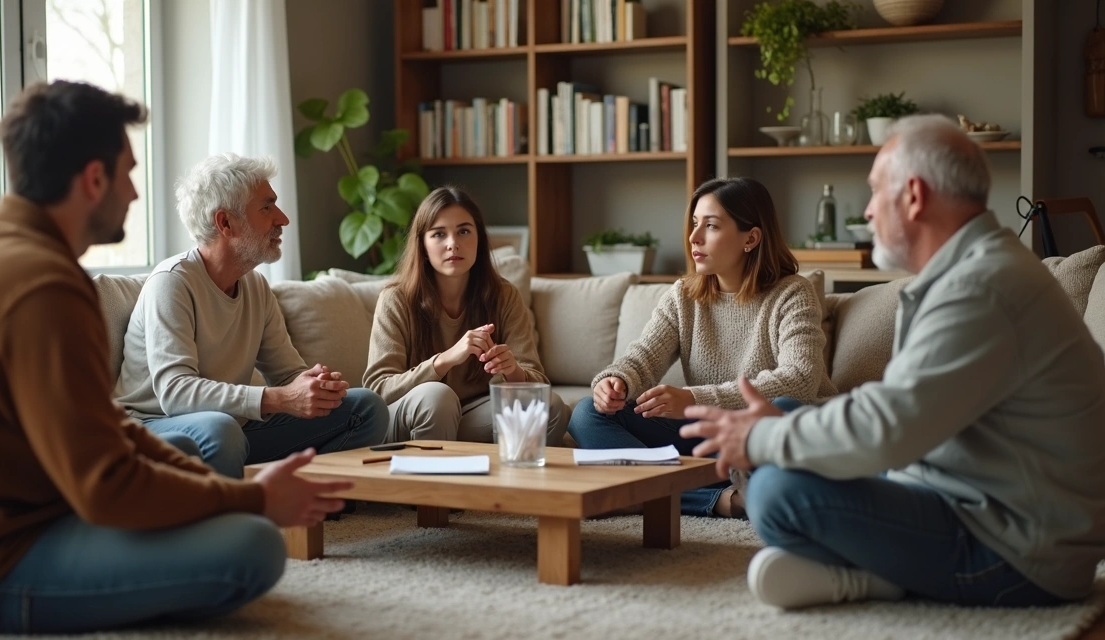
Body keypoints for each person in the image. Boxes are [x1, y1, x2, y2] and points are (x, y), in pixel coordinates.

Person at [0, 80, 353, 634]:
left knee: (180, 448)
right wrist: (251, 501)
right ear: (93, 179)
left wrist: (235, 494)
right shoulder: (43, 287)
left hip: (4, 516)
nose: (134, 192)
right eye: (129, 172)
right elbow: (105, 487)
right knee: (251, 547)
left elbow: (105, 427)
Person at [681, 114, 1105, 609]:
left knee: (774, 490)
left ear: (914, 196)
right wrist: (780, 430)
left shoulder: (980, 289)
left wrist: (760, 438)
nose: (866, 210)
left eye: (876, 191)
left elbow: (891, 427)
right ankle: (882, 572)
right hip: (967, 496)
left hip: (1020, 553)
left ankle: (875, 578)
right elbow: (908, 417)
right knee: (791, 417)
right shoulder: (969, 270)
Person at [568, 176, 835, 518]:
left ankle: (647, 493)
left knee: (781, 407)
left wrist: (694, 400)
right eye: (695, 224)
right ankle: (725, 498)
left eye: (710, 226)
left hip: (766, 437)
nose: (694, 238)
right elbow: (642, 357)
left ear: (751, 238)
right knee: (588, 412)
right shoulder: (684, 295)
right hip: (709, 445)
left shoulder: (792, 293)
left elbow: (799, 382)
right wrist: (616, 382)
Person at [114, 153, 388, 479]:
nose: (283, 219)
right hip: (155, 426)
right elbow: (176, 393)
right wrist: (278, 399)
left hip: (234, 430)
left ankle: (283, 493)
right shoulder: (172, 282)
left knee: (365, 408)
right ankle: (242, 504)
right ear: (225, 223)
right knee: (221, 430)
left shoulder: (256, 286)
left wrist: (311, 386)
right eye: (266, 207)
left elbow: (287, 373)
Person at [363, 186, 568, 445]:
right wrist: (445, 360)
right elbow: (378, 388)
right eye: (439, 234)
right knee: (438, 398)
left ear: (479, 239)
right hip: (411, 414)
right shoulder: (395, 299)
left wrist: (512, 370)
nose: (453, 244)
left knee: (548, 407)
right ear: (423, 246)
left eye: (463, 231)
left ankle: (509, 484)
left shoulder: (504, 295)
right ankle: (433, 484)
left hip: (471, 416)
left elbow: (537, 381)